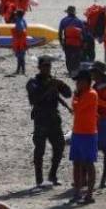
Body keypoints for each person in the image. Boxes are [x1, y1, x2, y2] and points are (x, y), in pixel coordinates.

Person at [27, 57, 71, 187]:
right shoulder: (33, 82)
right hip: (40, 119)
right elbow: (34, 100)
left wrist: (61, 84)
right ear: (39, 67)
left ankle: (52, 174)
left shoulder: (53, 82)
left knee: (60, 146)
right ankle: (39, 179)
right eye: (44, 66)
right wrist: (48, 87)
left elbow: (68, 94)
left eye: (48, 66)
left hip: (54, 120)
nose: (47, 69)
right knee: (40, 150)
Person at [69, 69, 99, 204]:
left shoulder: (91, 94)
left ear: (87, 82)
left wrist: (76, 98)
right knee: (76, 163)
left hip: (89, 134)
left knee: (88, 163)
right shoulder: (80, 94)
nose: (77, 84)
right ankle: (77, 192)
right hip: (77, 132)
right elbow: (75, 107)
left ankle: (89, 194)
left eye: (79, 81)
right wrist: (76, 98)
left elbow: (76, 108)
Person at [58, 5, 86, 74]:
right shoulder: (79, 21)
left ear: (67, 12)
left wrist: (61, 42)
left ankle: (70, 71)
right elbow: (84, 33)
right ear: (74, 13)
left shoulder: (63, 20)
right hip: (77, 43)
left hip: (67, 43)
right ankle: (75, 70)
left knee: (68, 57)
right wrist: (84, 44)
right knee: (76, 58)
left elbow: (60, 32)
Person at [11, 9, 29, 75]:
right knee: (21, 56)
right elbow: (25, 28)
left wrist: (17, 34)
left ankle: (20, 70)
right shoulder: (23, 20)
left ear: (18, 15)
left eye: (16, 14)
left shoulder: (19, 21)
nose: (15, 15)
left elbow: (21, 30)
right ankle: (21, 70)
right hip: (23, 41)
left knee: (20, 56)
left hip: (19, 42)